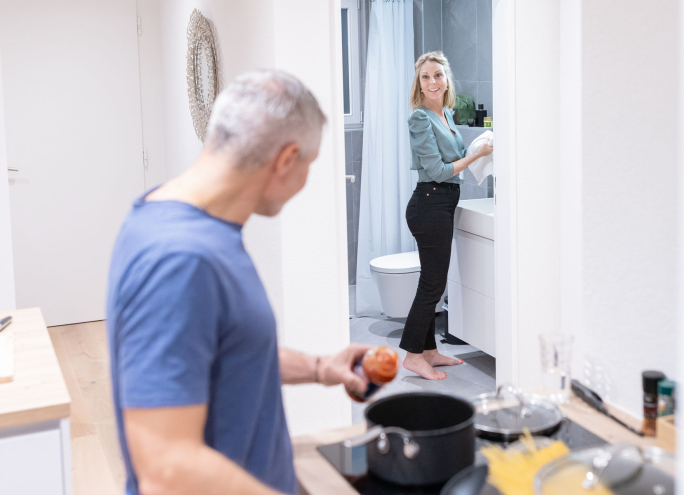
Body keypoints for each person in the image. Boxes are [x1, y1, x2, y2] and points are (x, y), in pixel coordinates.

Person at [106, 69, 372, 495]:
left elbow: (220, 351)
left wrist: (322, 368)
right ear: (286, 159)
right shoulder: (180, 260)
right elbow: (167, 468)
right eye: (310, 164)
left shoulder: (171, 217)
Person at [400, 52, 494, 380]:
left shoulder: (447, 115)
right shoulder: (421, 119)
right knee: (432, 284)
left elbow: (452, 157)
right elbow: (438, 170)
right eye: (425, 77)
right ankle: (413, 355)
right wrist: (478, 155)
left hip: (442, 203)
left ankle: (429, 351)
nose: (432, 82)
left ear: (446, 79)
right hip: (430, 204)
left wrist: (480, 148)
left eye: (437, 75)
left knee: (432, 282)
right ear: (419, 83)